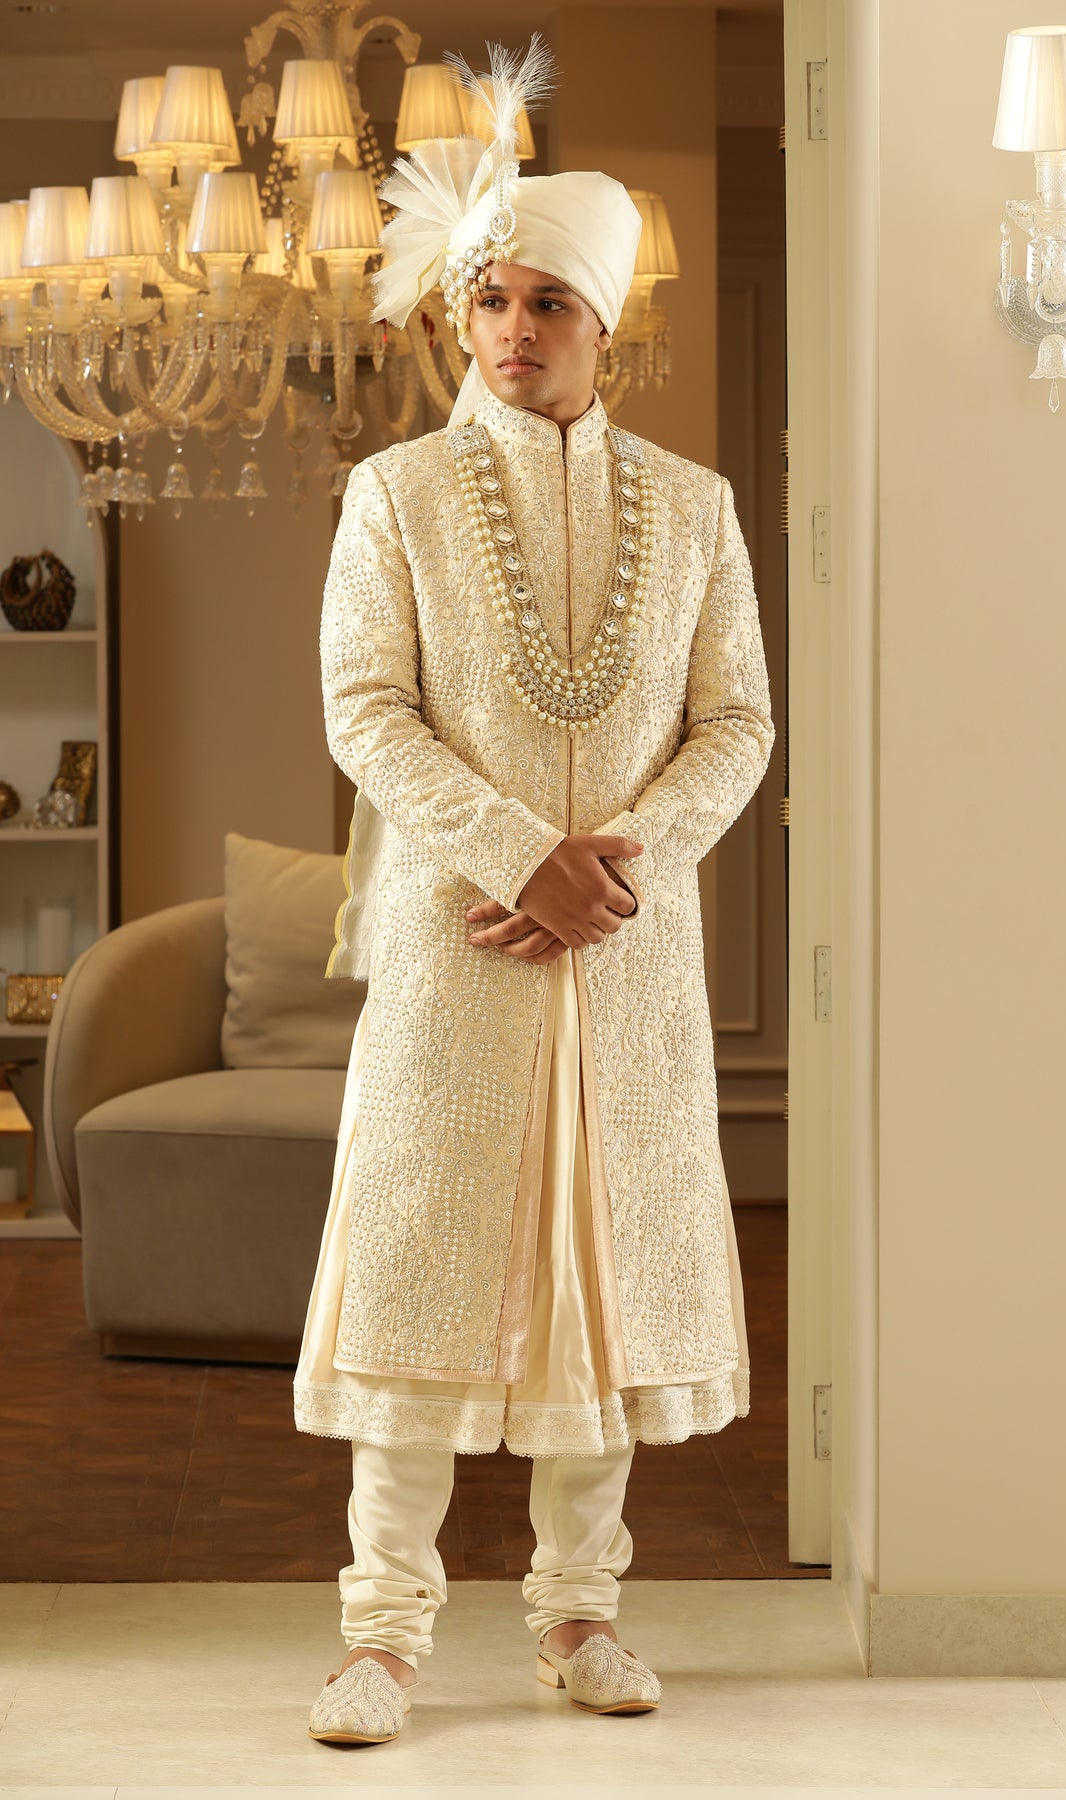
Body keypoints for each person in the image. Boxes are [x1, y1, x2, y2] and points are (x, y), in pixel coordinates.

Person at [295, 37, 775, 1747]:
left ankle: (582, 1614)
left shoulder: (696, 509)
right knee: (421, 1264)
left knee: (602, 1285)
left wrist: (610, 874)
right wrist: (519, 858)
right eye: (489, 299)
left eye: (548, 304)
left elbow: (738, 723)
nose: (511, 329)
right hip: (463, 943)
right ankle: (382, 1635)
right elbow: (365, 709)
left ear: (603, 324)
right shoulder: (397, 496)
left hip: (623, 956)